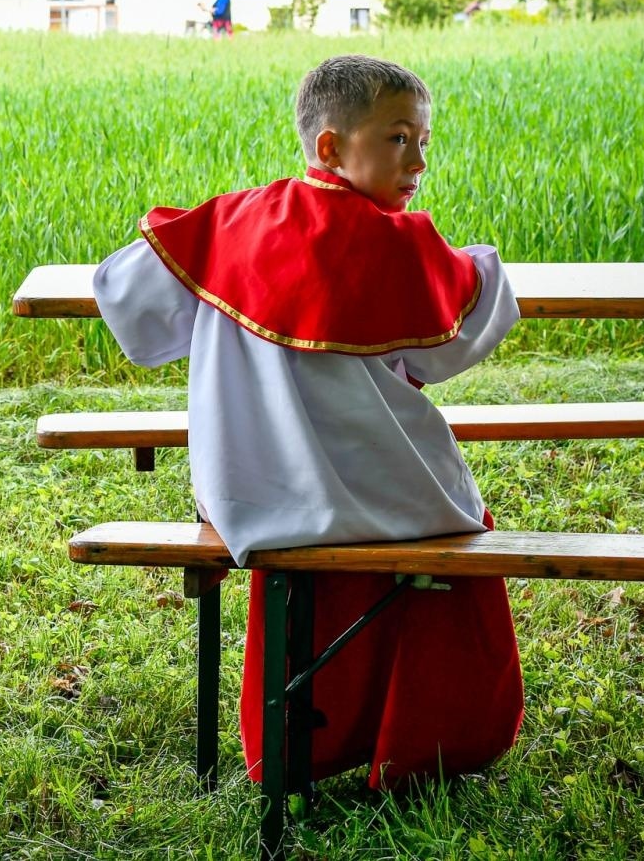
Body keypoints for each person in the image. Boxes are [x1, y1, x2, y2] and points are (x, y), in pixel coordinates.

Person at [91, 54, 524, 788]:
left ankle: (308, 746)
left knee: (343, 559)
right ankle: (424, 747)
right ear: (330, 146)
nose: (419, 159)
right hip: (388, 501)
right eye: (397, 138)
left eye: (422, 139)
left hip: (255, 503)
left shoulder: (228, 222)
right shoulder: (404, 244)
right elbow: (474, 320)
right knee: (459, 528)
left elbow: (122, 295)